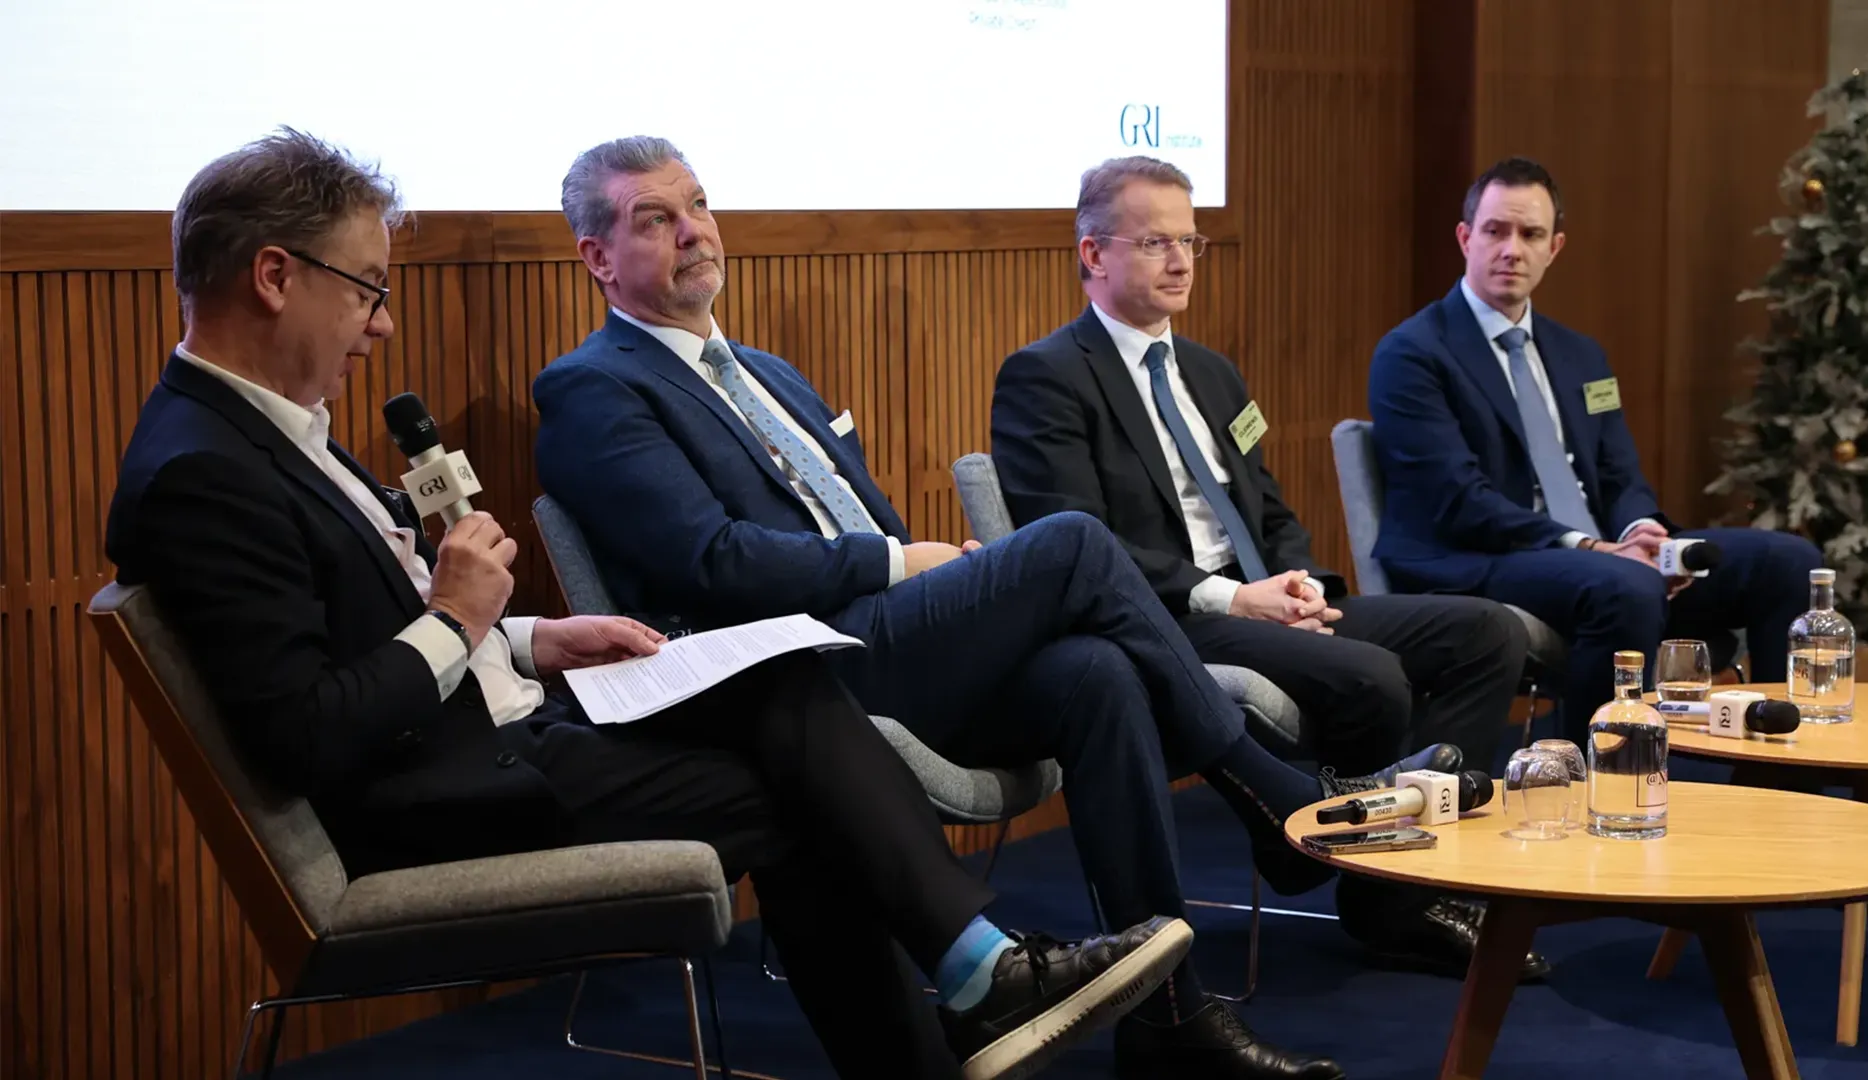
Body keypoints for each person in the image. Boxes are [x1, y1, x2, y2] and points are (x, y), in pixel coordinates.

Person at [103, 128, 1193, 1080]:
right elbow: (306, 731)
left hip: (496, 733)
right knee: (802, 779)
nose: (380, 327)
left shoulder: (262, 428)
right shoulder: (205, 471)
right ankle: (979, 979)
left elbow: (366, 627)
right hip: (437, 797)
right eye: (370, 291)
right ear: (276, 276)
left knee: (776, 685)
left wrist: (534, 635)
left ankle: (976, 984)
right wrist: (458, 620)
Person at [531, 134, 1458, 1078]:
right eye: (656, 219)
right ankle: (1277, 796)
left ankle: (1169, 1024)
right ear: (597, 257)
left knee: (1093, 675)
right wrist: (903, 562)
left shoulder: (770, 371)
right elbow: (711, 562)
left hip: (887, 638)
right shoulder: (592, 387)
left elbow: (855, 522)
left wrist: (946, 574)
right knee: (1069, 544)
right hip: (789, 676)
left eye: (698, 205)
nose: (693, 232)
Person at [990, 155, 1543, 981]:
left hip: (1263, 598)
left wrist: (1302, 583)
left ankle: (1382, 877)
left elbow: (1269, 507)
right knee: (1372, 678)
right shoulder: (1046, 377)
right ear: (1093, 254)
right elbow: (1078, 539)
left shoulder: (1211, 372)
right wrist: (1233, 596)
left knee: (1486, 634)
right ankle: (1362, 875)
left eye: (1190, 242)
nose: (1180, 262)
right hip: (1170, 616)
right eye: (1154, 243)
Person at [1366, 157, 1824, 728]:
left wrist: (1639, 531)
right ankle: (1606, 775)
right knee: (1627, 585)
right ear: (1465, 238)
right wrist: (1590, 548)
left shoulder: (1581, 355)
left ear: (1554, 247)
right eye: (1495, 231)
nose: (1512, 249)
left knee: (1789, 562)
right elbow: (1458, 499)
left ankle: (1777, 776)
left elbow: (1618, 473)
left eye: (1530, 234)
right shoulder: (1412, 354)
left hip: (1602, 558)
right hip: (1478, 559)